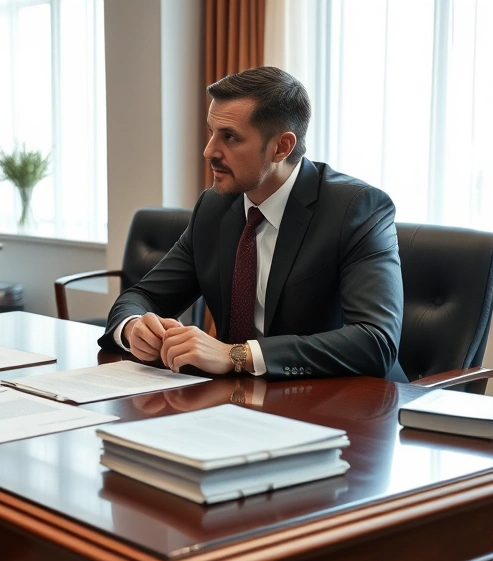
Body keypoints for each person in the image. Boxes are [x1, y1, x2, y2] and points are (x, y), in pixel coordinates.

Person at [99, 66, 406, 382]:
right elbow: (142, 296)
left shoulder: (356, 209)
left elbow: (375, 342)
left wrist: (235, 355)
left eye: (229, 137)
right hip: (240, 400)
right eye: (211, 132)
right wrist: (134, 327)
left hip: (341, 404)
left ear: (281, 147)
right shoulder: (213, 207)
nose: (209, 151)